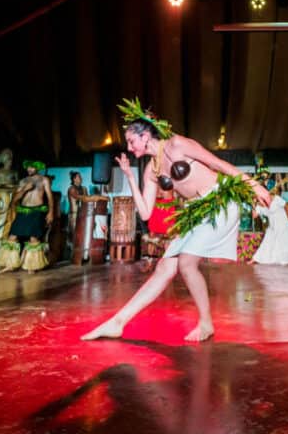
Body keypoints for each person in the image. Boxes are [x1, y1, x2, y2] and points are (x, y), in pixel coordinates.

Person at [81, 98, 271, 342]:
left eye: (131, 140)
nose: (129, 147)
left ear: (145, 136)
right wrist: (129, 176)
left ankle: (205, 324)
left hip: (219, 202)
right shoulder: (151, 169)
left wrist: (254, 185)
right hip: (196, 211)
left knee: (186, 264)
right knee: (164, 267)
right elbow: (146, 212)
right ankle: (118, 322)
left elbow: (218, 164)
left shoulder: (177, 144)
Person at [6, 160, 55, 272]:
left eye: (32, 167)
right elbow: (14, 199)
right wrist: (25, 189)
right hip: (23, 211)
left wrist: (51, 212)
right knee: (12, 236)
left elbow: (50, 197)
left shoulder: (44, 180)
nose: (29, 169)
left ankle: (31, 266)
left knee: (34, 238)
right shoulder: (23, 181)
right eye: (28, 167)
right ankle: (10, 264)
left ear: (37, 167)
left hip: (37, 211)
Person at [251, 194, 288, 265]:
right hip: (273, 227)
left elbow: (285, 205)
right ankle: (255, 259)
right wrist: (253, 204)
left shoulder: (274, 198)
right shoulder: (259, 206)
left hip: (285, 223)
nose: (258, 198)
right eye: (256, 197)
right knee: (268, 243)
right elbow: (254, 216)